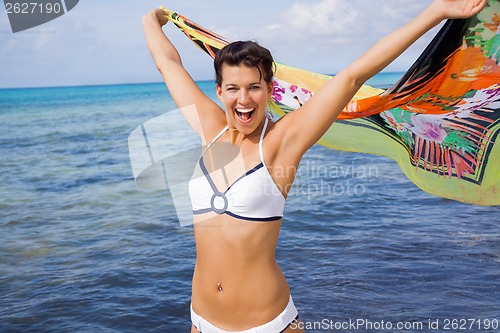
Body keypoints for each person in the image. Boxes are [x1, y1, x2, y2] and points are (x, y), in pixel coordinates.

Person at [142, 1, 487, 332]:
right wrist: (153, 17)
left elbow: (352, 77)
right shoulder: (209, 130)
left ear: (268, 89)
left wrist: (436, 11)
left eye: (254, 87)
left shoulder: (283, 141)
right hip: (201, 320)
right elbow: (167, 63)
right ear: (219, 91)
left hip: (267, 325)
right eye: (233, 88)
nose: (243, 99)